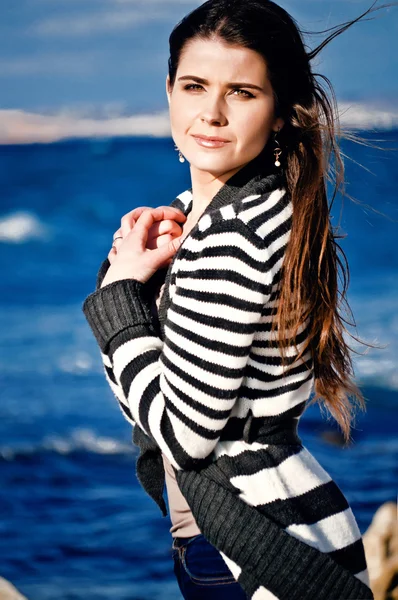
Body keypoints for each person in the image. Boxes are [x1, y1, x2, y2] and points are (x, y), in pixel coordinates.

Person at [81, 1, 391, 598]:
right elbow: (151, 407)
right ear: (168, 89)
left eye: (243, 92)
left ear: (278, 112)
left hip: (252, 554)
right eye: (195, 85)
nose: (212, 113)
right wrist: (137, 287)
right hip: (272, 529)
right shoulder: (245, 213)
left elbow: (182, 436)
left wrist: (120, 298)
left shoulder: (236, 233)